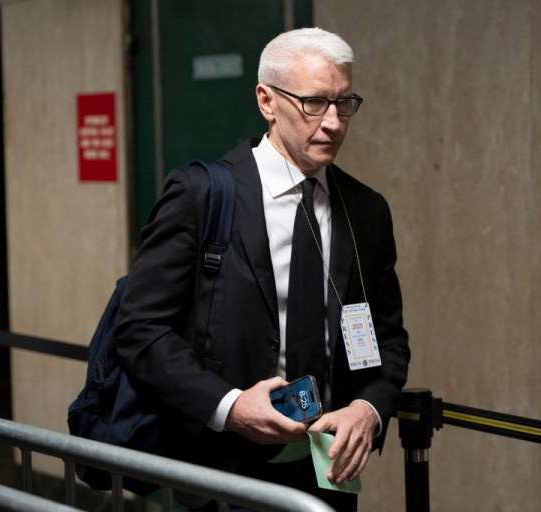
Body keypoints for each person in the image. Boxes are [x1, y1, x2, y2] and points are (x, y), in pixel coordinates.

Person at [114, 27, 410, 511]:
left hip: (325, 473)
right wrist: (228, 408)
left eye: (344, 102)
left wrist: (369, 408)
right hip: (219, 475)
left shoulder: (366, 211)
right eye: (314, 103)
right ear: (267, 101)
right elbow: (140, 330)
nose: (333, 123)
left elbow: (387, 338)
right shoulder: (201, 195)